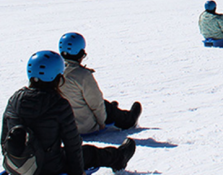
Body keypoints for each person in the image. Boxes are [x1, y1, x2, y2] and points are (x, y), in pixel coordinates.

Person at [2, 51, 136, 175]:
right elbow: (73, 145)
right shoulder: (58, 104)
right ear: (58, 76)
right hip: (51, 167)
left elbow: (4, 140)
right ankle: (118, 158)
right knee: (89, 153)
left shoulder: (14, 100)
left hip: (21, 167)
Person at [58, 33, 142, 135]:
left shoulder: (54, 71)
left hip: (61, 127)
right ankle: (129, 120)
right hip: (82, 127)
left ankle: (111, 110)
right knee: (102, 105)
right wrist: (102, 122)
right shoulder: (83, 75)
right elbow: (96, 103)